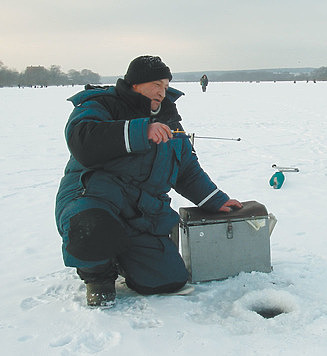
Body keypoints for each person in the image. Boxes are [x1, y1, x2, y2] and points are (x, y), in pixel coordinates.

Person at [55, 55, 242, 307]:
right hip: (94, 200)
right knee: (92, 228)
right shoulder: (101, 104)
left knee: (168, 280)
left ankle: (121, 255)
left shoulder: (169, 120)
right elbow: (82, 141)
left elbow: (187, 170)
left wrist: (216, 200)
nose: (162, 92)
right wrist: (140, 131)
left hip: (141, 216)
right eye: (156, 84)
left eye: (165, 87)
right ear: (135, 84)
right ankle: (97, 276)